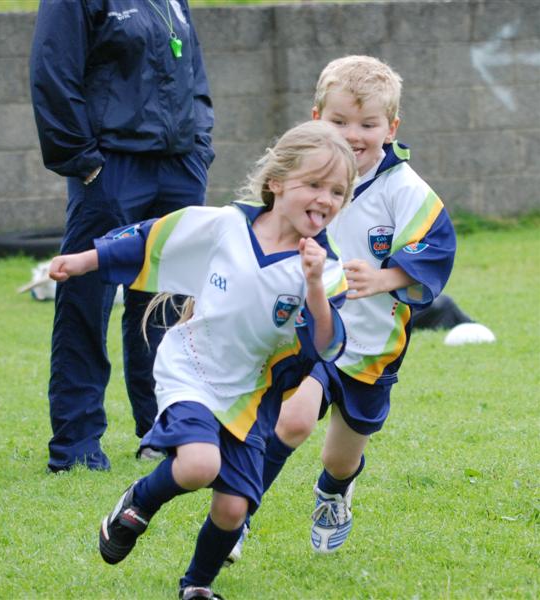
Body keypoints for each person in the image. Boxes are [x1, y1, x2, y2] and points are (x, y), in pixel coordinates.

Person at [48, 121, 357, 600]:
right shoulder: (225, 226)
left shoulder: (324, 268)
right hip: (191, 369)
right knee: (197, 464)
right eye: (314, 184)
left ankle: (196, 586)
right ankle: (136, 505)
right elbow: (151, 239)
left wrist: (315, 285)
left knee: (233, 510)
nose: (326, 198)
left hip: (250, 396)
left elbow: (323, 346)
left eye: (337, 190)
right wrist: (83, 260)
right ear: (276, 182)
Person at [226, 55, 457, 562]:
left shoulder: (406, 191)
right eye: (339, 121)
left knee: (340, 455)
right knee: (292, 421)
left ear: (391, 127)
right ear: (316, 118)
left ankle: (333, 492)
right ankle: (236, 518)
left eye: (368, 125)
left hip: (373, 347)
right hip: (311, 330)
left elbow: (437, 250)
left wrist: (386, 278)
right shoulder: (302, 175)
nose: (353, 135)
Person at [29, 0, 215, 472]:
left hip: (177, 166)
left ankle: (161, 429)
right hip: (110, 166)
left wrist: (199, 146)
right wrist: (84, 161)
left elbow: (192, 69)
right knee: (86, 302)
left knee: (166, 305)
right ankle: (76, 444)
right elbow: (53, 71)